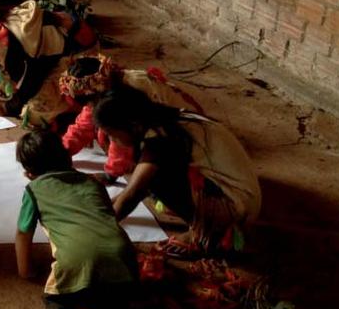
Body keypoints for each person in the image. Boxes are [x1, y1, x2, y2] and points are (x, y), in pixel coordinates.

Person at [15, 131, 137, 309]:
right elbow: (107, 217)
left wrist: (26, 271)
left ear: (29, 173)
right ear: (68, 159)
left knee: (56, 302)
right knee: (119, 298)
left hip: (76, 260)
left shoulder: (34, 189)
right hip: (123, 254)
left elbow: (23, 233)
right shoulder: (93, 182)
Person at [92, 86, 261, 255]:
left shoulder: (160, 138)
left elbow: (133, 193)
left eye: (112, 135)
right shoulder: (161, 118)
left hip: (235, 209)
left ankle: (205, 235)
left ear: (134, 126)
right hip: (241, 195)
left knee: (155, 178)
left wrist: (96, 229)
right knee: (149, 174)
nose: (111, 140)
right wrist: (107, 207)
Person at [51, 55, 204, 181]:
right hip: (149, 125)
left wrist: (110, 174)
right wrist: (63, 151)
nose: (88, 107)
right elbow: (84, 123)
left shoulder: (123, 98)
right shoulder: (104, 88)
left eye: (89, 103)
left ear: (96, 94)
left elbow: (121, 143)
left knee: (157, 173)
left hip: (183, 129)